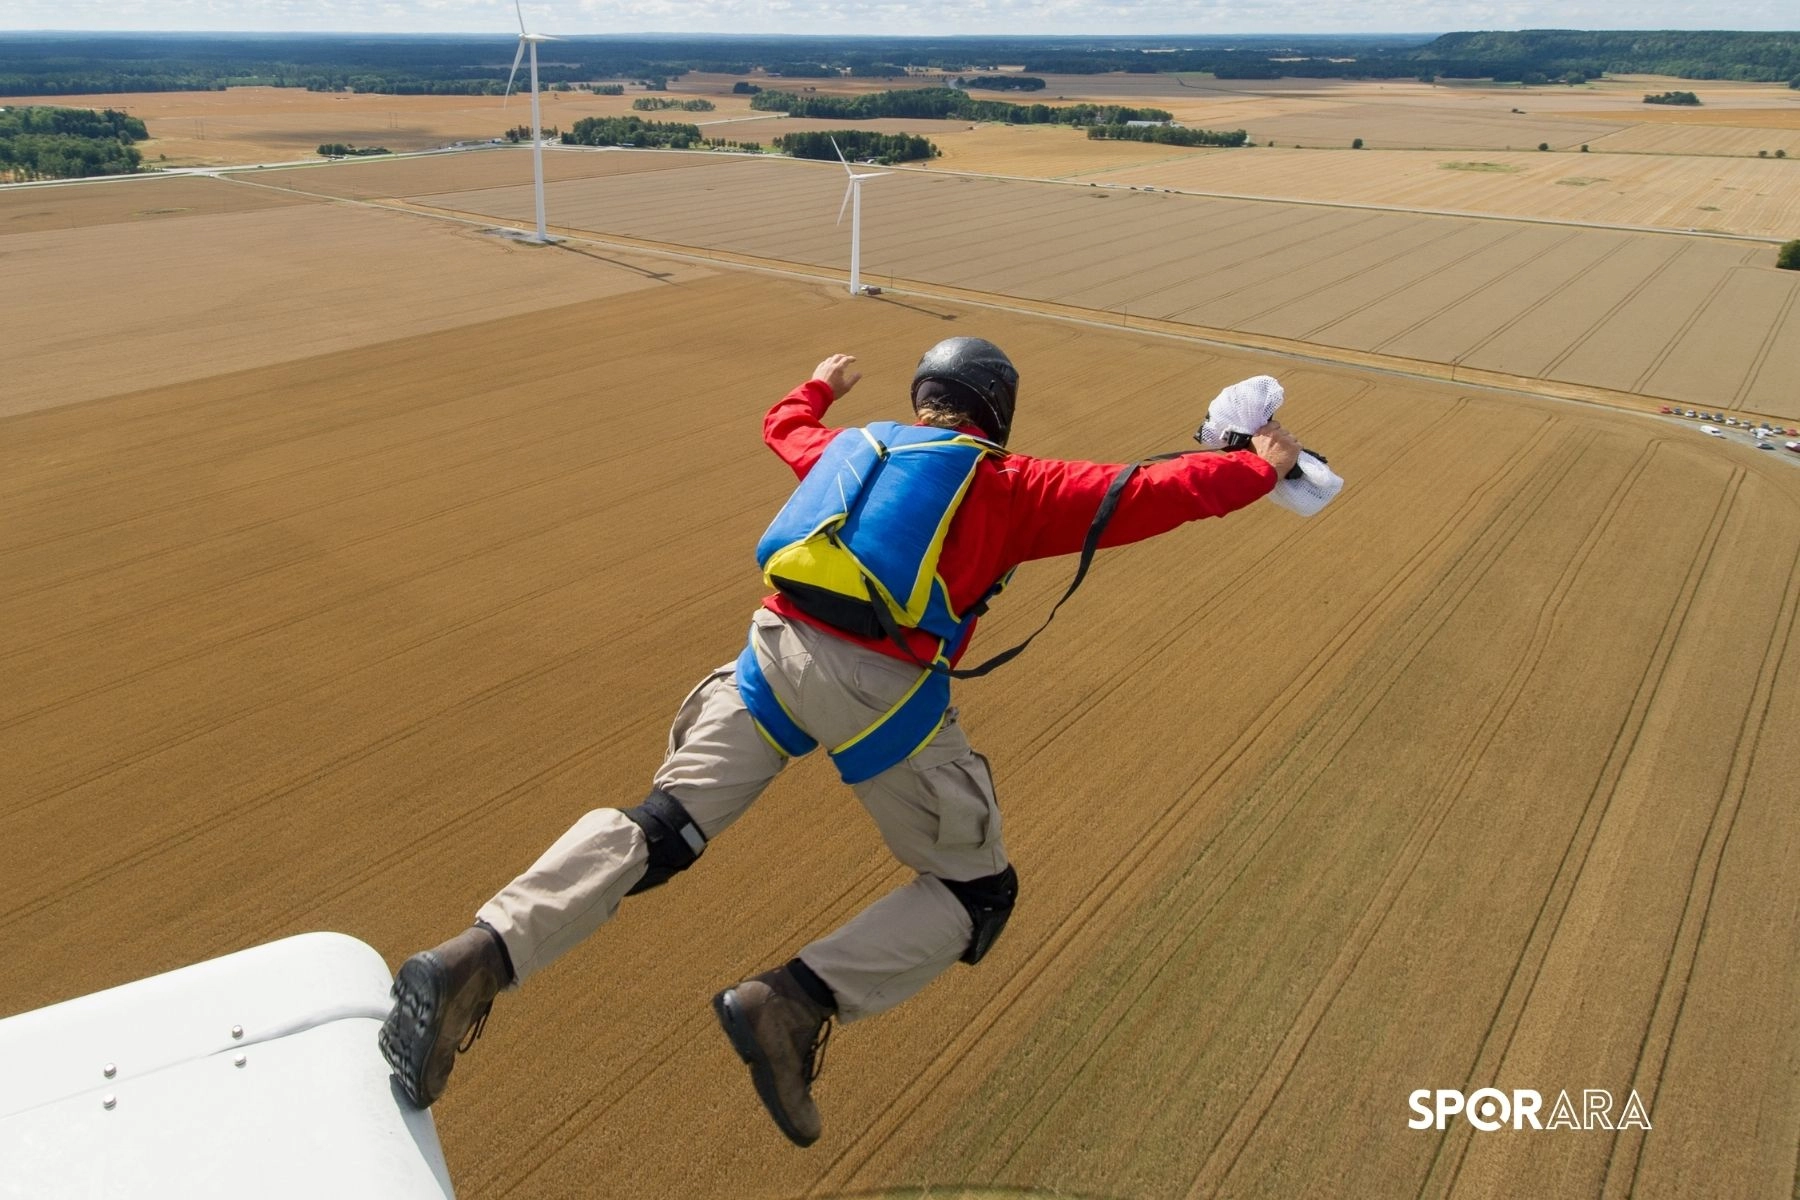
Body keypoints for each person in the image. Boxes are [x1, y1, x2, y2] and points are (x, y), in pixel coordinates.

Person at [378, 337, 1299, 1146]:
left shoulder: (851, 451)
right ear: (997, 412)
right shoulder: (1011, 484)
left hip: (770, 656)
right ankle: (791, 1002)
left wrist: (817, 386)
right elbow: (1153, 491)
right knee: (977, 893)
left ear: (923, 401)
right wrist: (1261, 465)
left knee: (661, 825)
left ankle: (474, 955)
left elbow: (783, 427)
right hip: (881, 696)